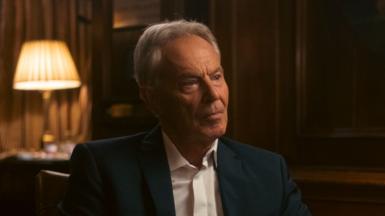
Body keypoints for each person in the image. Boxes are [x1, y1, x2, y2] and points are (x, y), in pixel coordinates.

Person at [59, 20, 311, 216]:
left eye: (216, 76)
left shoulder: (268, 171)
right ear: (151, 98)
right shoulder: (104, 168)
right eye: (190, 82)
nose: (214, 95)